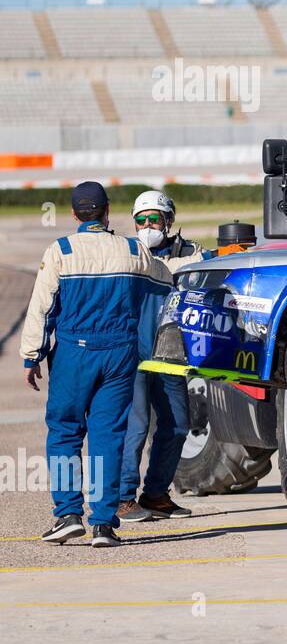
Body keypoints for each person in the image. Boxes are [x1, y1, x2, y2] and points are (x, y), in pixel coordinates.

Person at [21, 182, 173, 547]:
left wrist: (32, 355)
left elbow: (41, 307)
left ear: (74, 215)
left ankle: (68, 514)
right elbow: (165, 281)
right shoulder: (133, 249)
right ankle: (104, 523)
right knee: (108, 435)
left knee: (65, 432)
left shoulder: (61, 250)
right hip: (121, 353)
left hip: (76, 351)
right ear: (107, 212)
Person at [118, 190, 213, 522]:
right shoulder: (127, 253)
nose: (147, 225)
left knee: (177, 424)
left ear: (169, 221)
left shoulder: (193, 253)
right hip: (133, 351)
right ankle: (122, 497)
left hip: (170, 351)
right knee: (136, 424)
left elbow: (211, 266)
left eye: (154, 218)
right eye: (140, 220)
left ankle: (157, 494)